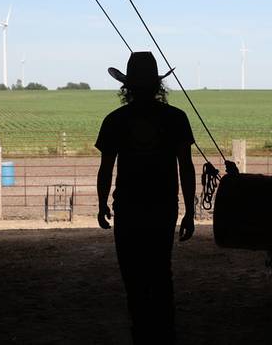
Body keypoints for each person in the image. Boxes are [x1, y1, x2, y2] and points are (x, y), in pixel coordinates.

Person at [95, 51, 196, 345]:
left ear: (127, 86)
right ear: (158, 86)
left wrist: (102, 205)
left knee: (133, 275)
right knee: (160, 270)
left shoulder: (114, 121)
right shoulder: (176, 118)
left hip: (128, 207)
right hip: (163, 207)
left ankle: (141, 332)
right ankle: (165, 333)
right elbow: (186, 167)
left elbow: (106, 168)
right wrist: (190, 211)